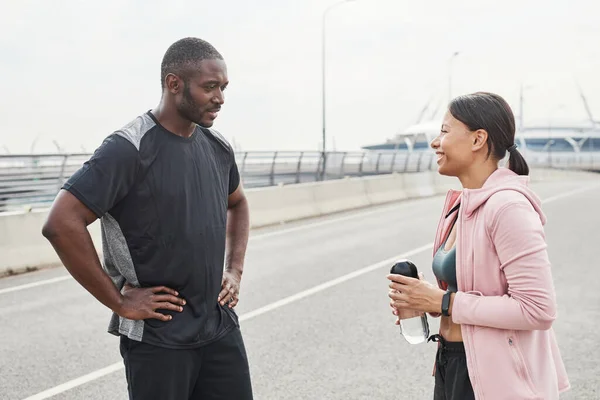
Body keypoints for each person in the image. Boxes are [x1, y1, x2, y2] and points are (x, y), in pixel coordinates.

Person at [41, 37, 253, 400]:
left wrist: (233, 269)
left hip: (218, 328)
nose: (220, 97)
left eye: (223, 87)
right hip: (159, 339)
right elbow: (60, 224)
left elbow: (238, 204)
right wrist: (120, 302)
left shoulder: (217, 147)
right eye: (209, 87)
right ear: (174, 84)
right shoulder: (128, 148)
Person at [387, 92, 570, 399]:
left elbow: (538, 309)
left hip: (495, 376)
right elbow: (470, 291)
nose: (435, 142)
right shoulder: (461, 205)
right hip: (452, 362)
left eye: (444, 132)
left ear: (477, 139)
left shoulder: (508, 207)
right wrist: (427, 300)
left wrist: (444, 303)